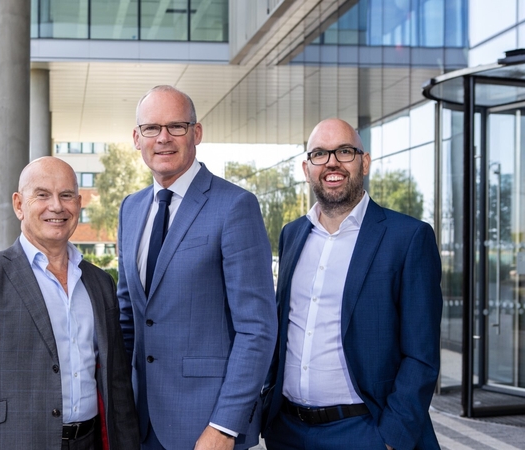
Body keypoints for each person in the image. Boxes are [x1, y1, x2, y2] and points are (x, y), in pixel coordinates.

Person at [261, 118, 443, 450]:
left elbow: (422, 354)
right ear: (306, 167)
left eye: (344, 151)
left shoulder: (408, 237)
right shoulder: (292, 234)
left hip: (365, 432)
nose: (331, 162)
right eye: (319, 154)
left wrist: (391, 439)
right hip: (287, 432)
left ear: (365, 162)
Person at [0, 157, 139, 450]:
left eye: (66, 195)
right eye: (42, 195)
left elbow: (117, 385)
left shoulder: (99, 283)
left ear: (78, 204)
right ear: (19, 205)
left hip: (90, 442)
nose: (56, 206)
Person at [117, 85, 277, 450]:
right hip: (140, 424)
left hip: (206, 427)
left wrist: (224, 427)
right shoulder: (131, 208)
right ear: (136, 138)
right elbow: (129, 317)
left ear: (196, 133)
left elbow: (257, 329)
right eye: (151, 129)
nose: (163, 139)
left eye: (176, 126)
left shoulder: (235, 206)